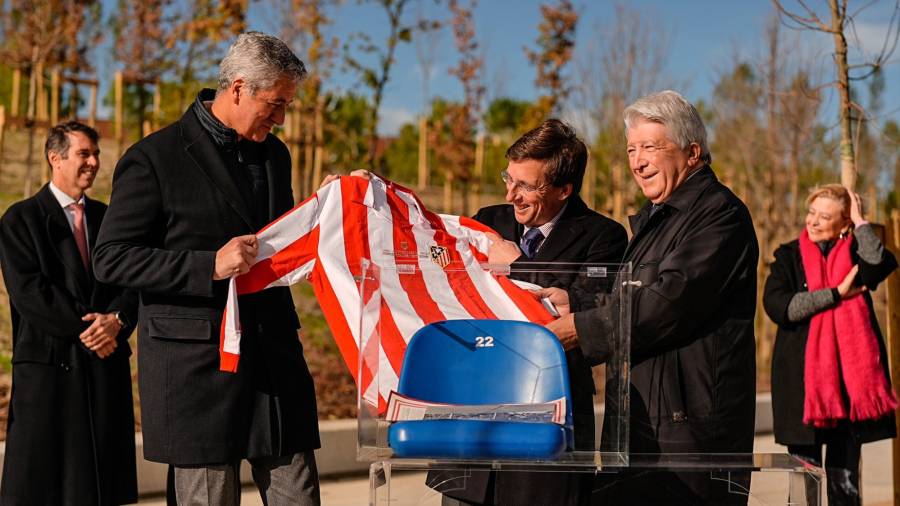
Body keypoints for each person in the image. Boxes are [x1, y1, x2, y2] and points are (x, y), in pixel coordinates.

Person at [93, 32, 320, 505]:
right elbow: (111, 256)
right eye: (275, 104)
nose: (281, 118)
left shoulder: (276, 155)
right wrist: (209, 265)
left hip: (274, 362)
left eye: (286, 106)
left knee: (298, 495)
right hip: (198, 370)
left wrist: (328, 207)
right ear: (238, 89)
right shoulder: (154, 158)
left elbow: (284, 239)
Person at [537, 90, 759, 504]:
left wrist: (576, 330)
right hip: (639, 429)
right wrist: (578, 305)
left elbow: (665, 304)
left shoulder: (719, 216)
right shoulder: (658, 221)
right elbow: (634, 297)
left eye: (650, 147)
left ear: (692, 152)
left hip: (688, 439)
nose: (637, 161)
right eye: (631, 149)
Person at [433, 119, 627, 506]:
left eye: (526, 186)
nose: (511, 195)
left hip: (550, 416)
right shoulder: (487, 221)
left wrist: (518, 266)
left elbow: (590, 321)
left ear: (564, 189)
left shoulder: (603, 237)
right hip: (474, 412)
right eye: (508, 178)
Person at [0, 121, 138, 505]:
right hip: (51, 370)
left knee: (101, 486)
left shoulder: (111, 219)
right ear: (55, 158)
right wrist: (94, 330)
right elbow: (30, 292)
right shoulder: (20, 220)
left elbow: (133, 282)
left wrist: (118, 322)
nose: (94, 162)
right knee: (47, 487)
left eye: (96, 153)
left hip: (104, 370)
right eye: (84, 153)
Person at [764, 184, 898, 506]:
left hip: (848, 393)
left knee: (845, 486)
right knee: (803, 490)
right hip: (803, 393)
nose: (813, 221)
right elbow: (780, 307)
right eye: (811, 212)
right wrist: (836, 293)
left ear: (843, 225)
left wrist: (860, 220)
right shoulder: (788, 256)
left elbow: (879, 264)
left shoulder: (856, 254)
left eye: (825, 216)